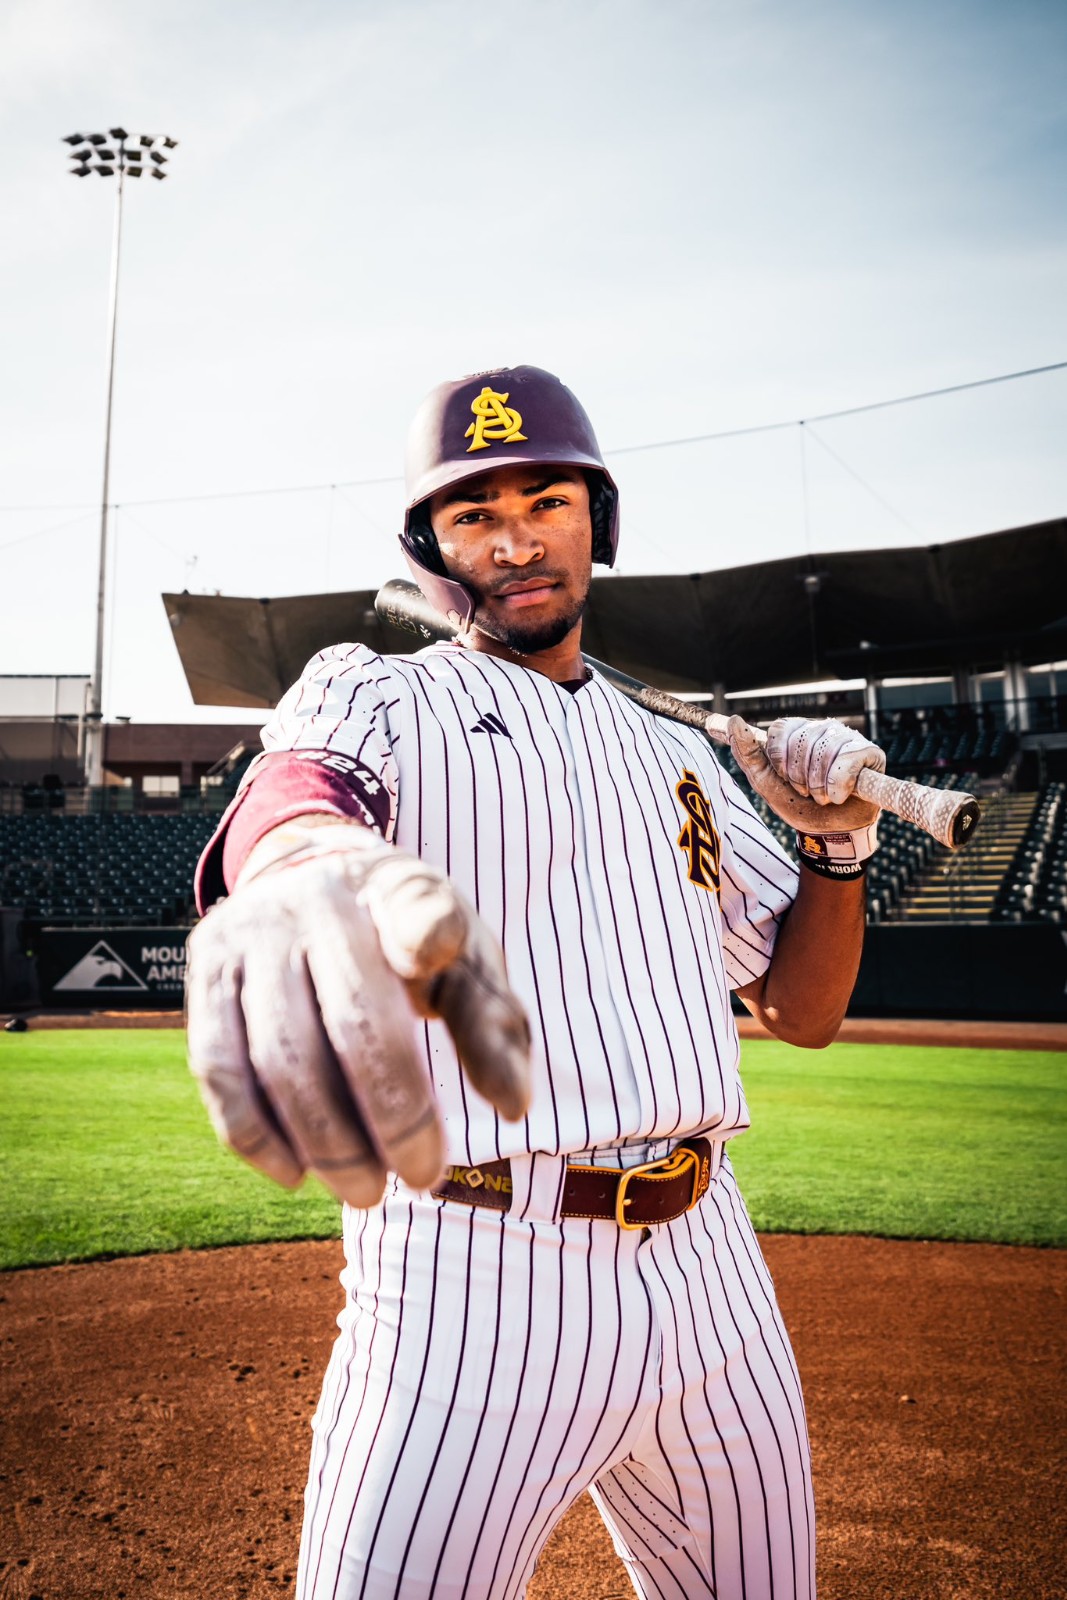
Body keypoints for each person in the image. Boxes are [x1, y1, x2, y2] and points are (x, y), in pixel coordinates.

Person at [187, 365, 886, 1600]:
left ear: (593, 520)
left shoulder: (675, 753)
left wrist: (834, 847)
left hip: (708, 1264)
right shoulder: (381, 689)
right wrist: (304, 863)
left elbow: (800, 1010)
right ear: (430, 550)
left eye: (544, 502)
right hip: (473, 1272)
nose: (514, 541)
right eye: (473, 514)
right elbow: (298, 788)